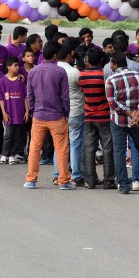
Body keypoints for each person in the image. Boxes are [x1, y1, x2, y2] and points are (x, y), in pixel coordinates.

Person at [105, 52, 139, 195]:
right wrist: (138, 113)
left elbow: (113, 103)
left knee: (119, 151)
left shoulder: (111, 80)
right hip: (138, 121)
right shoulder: (138, 75)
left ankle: (123, 185)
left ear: (115, 64)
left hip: (119, 121)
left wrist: (130, 114)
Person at [23, 41, 73, 190]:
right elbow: (65, 96)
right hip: (57, 115)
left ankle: (31, 179)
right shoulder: (60, 72)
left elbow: (30, 95)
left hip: (39, 115)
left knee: (34, 148)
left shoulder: (33, 72)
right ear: (56, 55)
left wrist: (32, 111)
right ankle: (63, 181)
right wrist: (66, 113)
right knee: (61, 149)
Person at [79, 47, 115, 189]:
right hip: (104, 115)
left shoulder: (81, 76)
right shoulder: (104, 75)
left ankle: (90, 180)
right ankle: (108, 180)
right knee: (107, 148)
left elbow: (83, 91)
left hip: (88, 115)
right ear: (101, 60)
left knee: (89, 148)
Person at [56, 39, 84, 185]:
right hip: (75, 110)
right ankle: (75, 174)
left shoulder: (54, 69)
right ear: (69, 54)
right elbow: (83, 87)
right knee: (75, 143)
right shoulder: (74, 72)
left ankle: (57, 173)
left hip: (57, 111)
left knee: (59, 143)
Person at [0, 57, 27, 165]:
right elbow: (1, 99)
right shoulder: (3, 81)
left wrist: (27, 111)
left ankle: (12, 155)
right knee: (8, 134)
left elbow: (25, 97)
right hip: (9, 113)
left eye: (18, 65)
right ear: (9, 67)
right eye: (15, 65)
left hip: (19, 113)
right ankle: (4, 154)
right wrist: (4, 112)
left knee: (17, 135)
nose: (18, 67)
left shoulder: (20, 80)